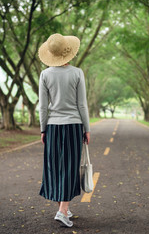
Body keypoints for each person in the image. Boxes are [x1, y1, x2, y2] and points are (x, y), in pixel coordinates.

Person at [38, 33, 91, 228]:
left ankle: (64, 207)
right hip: (73, 126)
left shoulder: (45, 74)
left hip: (52, 127)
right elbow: (82, 105)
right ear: (67, 51)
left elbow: (43, 107)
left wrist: (43, 129)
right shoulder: (77, 73)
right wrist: (87, 128)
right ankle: (62, 210)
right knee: (70, 167)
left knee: (56, 167)